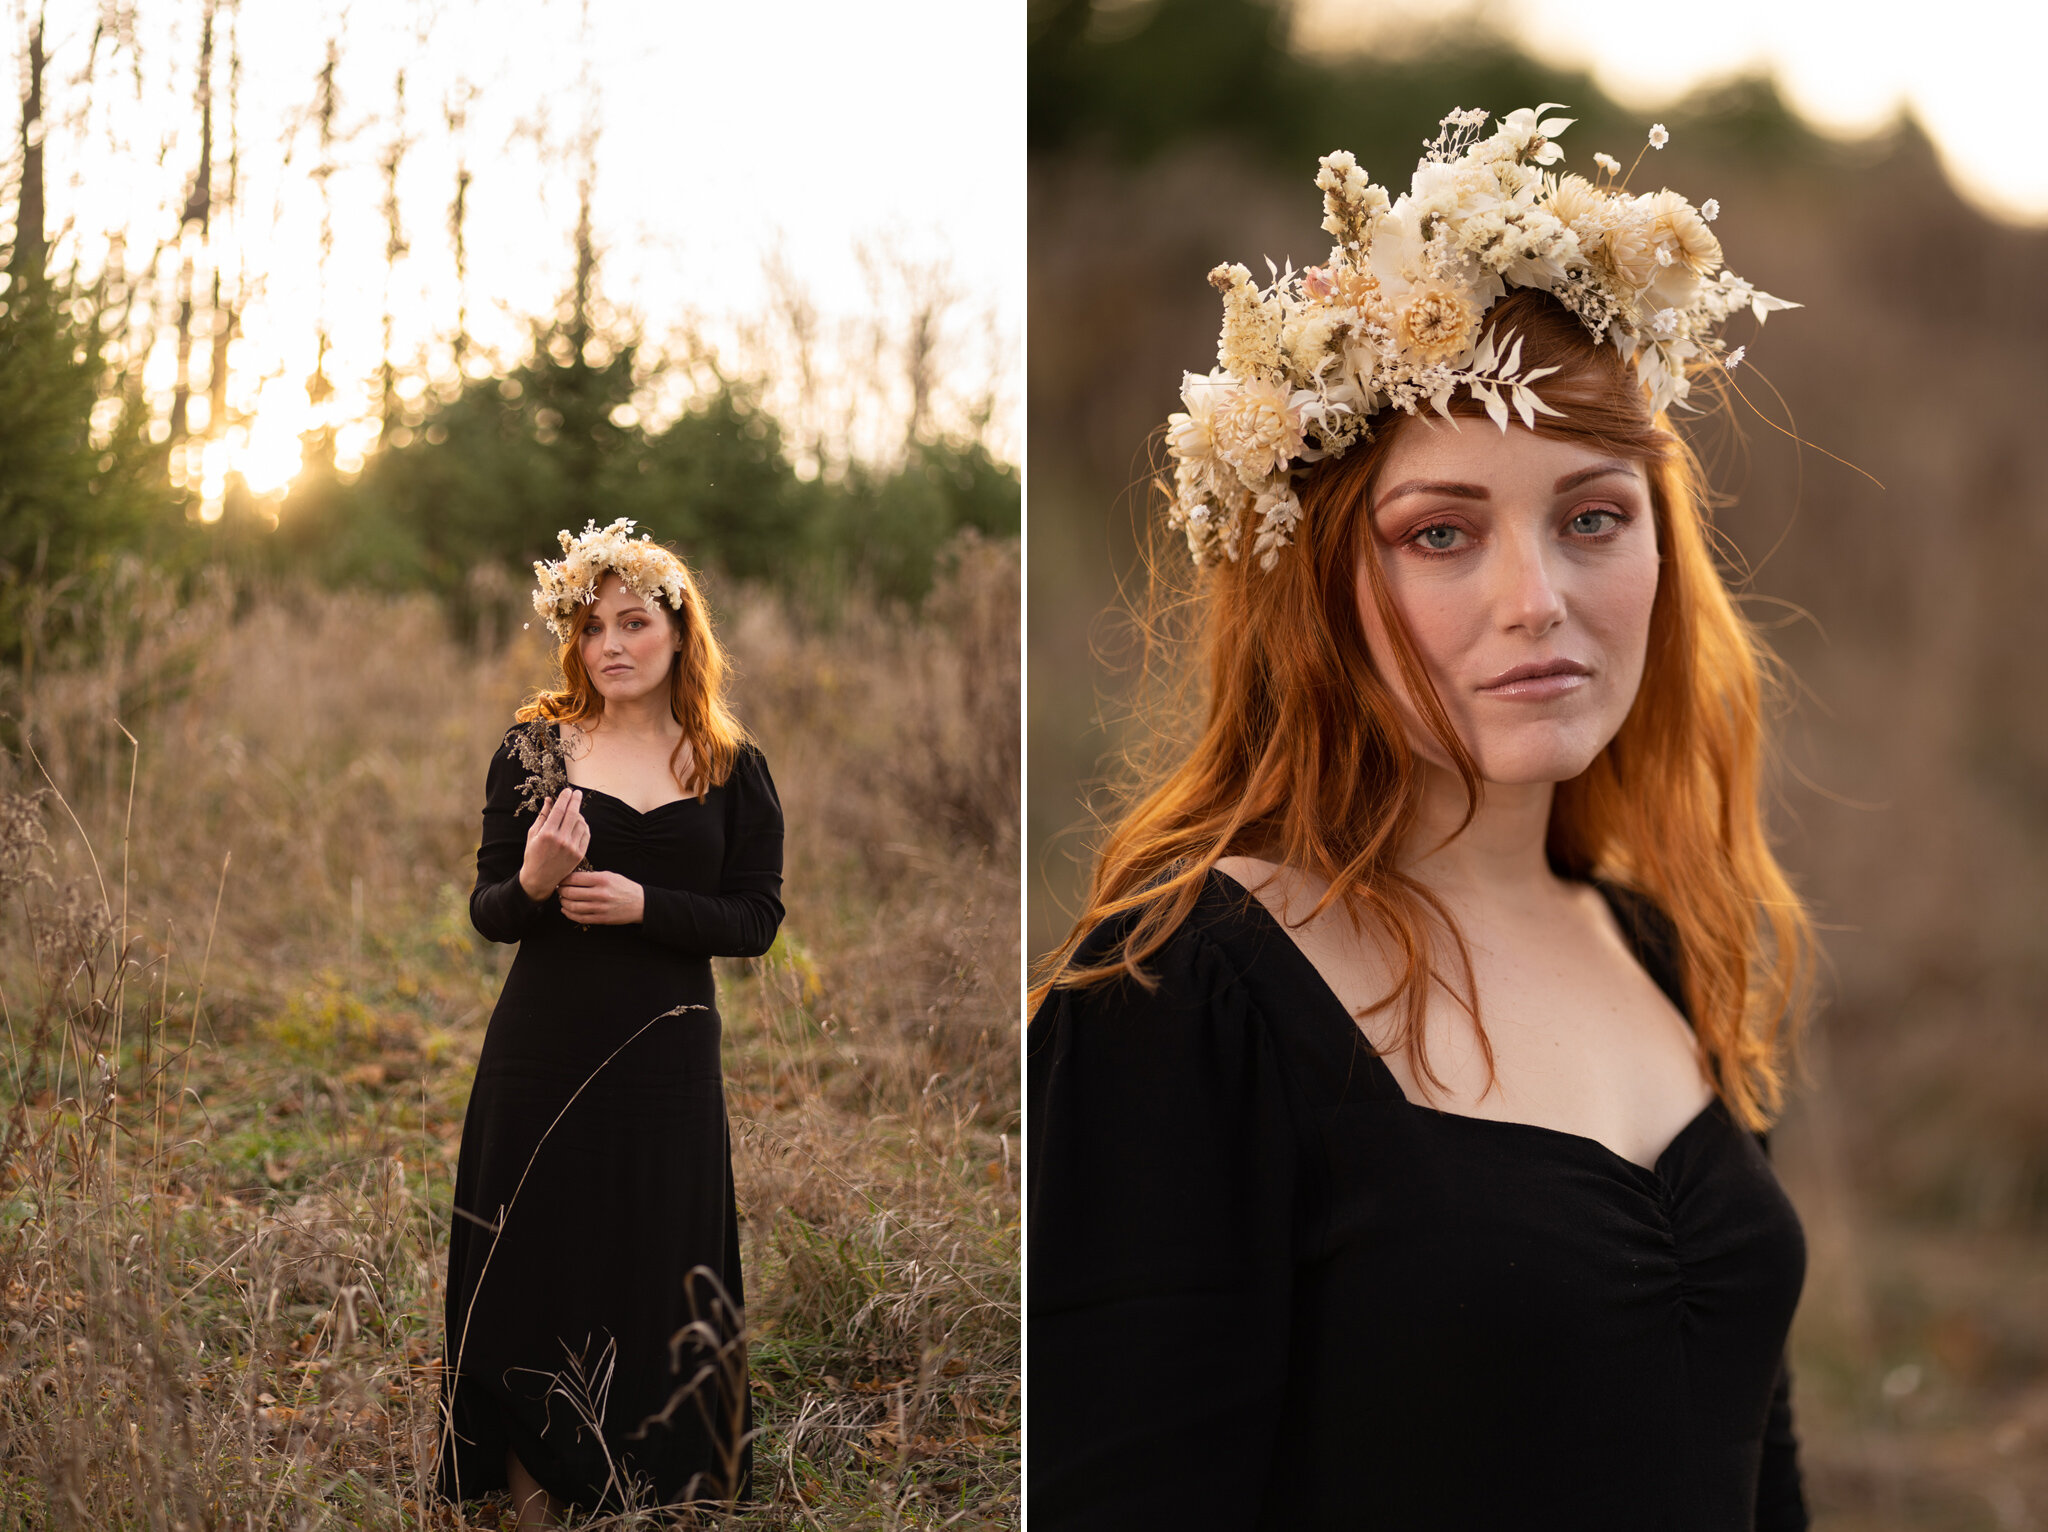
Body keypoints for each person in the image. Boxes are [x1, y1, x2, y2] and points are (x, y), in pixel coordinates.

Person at [1029, 108, 1817, 1529]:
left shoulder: (1655, 939)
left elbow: (1761, 1478)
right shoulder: (1177, 993)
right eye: (1441, 534)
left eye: (1592, 516)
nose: (1539, 600)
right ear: (1321, 584)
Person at [437, 519, 783, 1526]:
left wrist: (646, 906)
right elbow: (488, 909)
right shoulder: (535, 749)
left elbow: (755, 918)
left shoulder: (726, 762)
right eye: (591, 628)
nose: (612, 644)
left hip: (667, 1051)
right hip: (542, 1050)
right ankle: (530, 1487)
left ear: (679, 630)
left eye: (634, 621)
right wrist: (536, 882)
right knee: (530, 1260)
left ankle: (655, 1485)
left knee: (655, 1260)